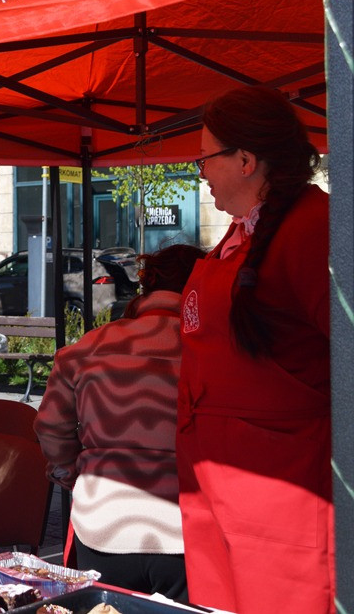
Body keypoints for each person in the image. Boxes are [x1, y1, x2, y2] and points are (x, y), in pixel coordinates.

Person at [177, 86, 332, 612]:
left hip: (281, 494)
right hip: (219, 487)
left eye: (204, 158)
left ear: (245, 160)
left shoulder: (315, 229)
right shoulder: (240, 233)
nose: (200, 171)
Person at [35, 244, 205, 601]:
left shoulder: (88, 347)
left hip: (102, 523)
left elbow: (50, 427)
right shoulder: (212, 351)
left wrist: (71, 472)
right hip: (188, 530)